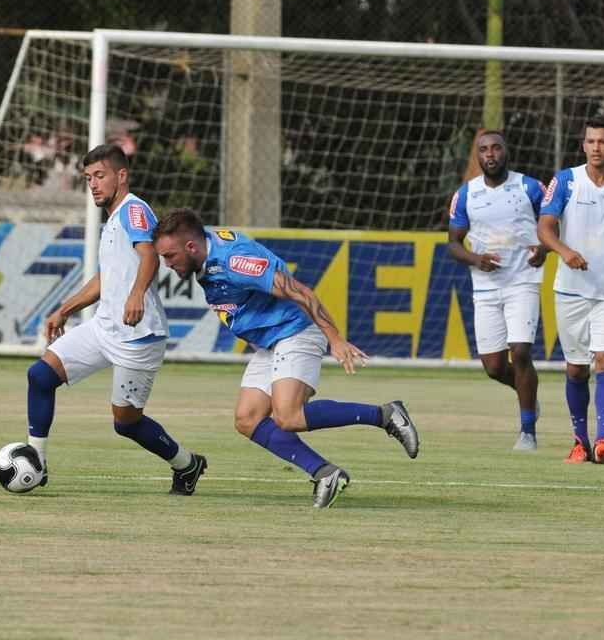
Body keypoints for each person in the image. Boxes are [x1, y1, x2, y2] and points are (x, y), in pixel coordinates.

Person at [151, 209, 419, 509]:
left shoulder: (233, 262)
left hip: (296, 331)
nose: (167, 264)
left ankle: (385, 415)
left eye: (170, 256)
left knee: (288, 416)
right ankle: (325, 473)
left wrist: (334, 338)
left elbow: (298, 290)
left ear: (191, 247)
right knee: (247, 419)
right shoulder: (205, 255)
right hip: (270, 343)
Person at [25, 144, 207, 494]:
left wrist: (137, 293)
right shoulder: (113, 218)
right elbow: (106, 278)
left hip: (138, 337)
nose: (93, 184)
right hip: (105, 327)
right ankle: (36, 462)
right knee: (40, 376)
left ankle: (187, 464)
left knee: (125, 424)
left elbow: (149, 256)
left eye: (100, 176)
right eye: (88, 178)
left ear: (121, 176)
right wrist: (65, 309)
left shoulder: (134, 210)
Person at [537, 117, 604, 465]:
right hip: (571, 292)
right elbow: (544, 227)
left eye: (603, 142)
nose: (597, 147)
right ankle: (579, 441)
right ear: (583, 145)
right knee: (575, 370)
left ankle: (602, 441)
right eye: (591, 141)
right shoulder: (567, 181)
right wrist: (564, 251)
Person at [446, 129, 547, 450]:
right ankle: (526, 392)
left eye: (496, 148)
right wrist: (476, 259)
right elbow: (453, 243)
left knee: (520, 352)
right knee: (493, 368)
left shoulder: (530, 187)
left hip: (523, 281)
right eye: (484, 150)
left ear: (507, 152)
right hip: (486, 287)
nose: (490, 154)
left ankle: (527, 431)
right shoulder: (466, 194)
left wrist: (544, 249)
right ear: (477, 155)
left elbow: (553, 224)